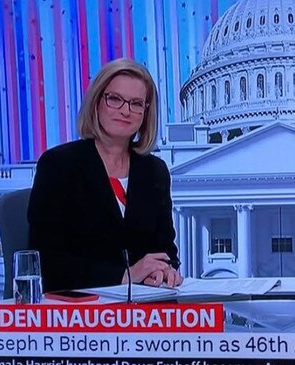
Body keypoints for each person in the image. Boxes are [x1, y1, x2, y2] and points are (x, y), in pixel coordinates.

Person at [28, 58, 183, 292]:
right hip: (77, 311)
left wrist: (163, 271)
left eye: (136, 103)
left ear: (145, 113)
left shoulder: (155, 172)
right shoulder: (58, 165)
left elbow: (165, 249)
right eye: (115, 99)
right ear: (97, 102)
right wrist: (125, 275)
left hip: (143, 309)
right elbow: (47, 262)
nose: (125, 111)